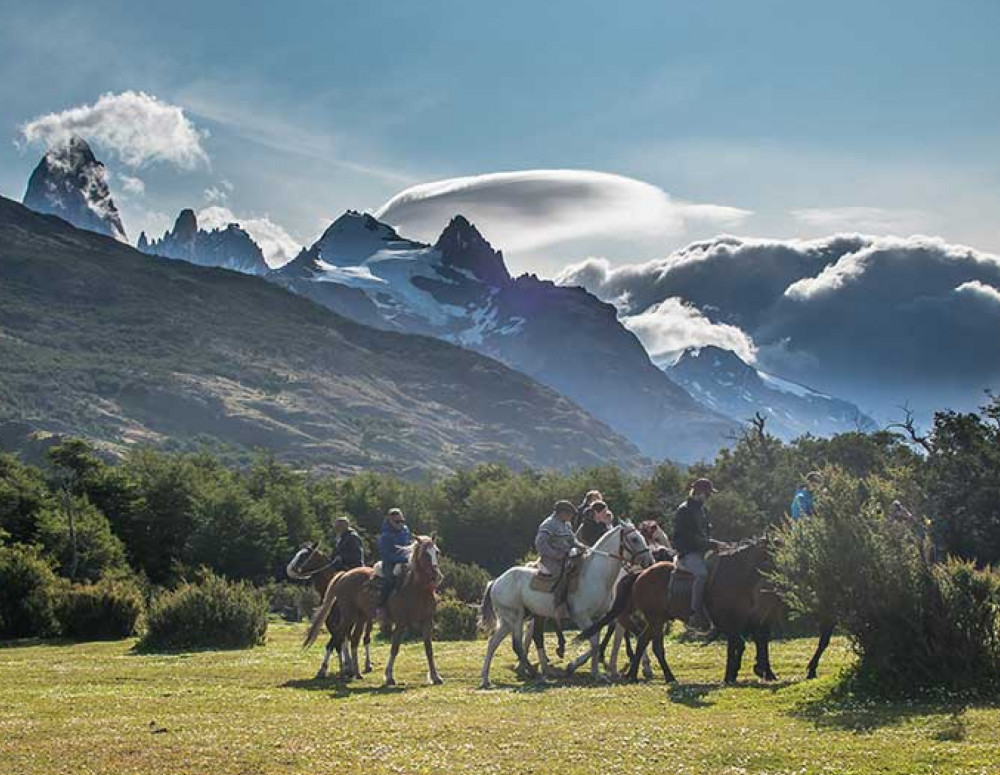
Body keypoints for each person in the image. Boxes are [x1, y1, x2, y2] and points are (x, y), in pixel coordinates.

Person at [672, 478, 718, 634]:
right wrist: (713, 544)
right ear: (699, 493)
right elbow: (691, 538)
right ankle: (694, 614)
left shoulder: (703, 510)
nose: (708, 498)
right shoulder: (684, 511)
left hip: (702, 551)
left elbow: (706, 533)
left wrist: (716, 545)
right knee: (701, 574)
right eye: (707, 494)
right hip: (688, 553)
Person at [535, 500, 586, 618]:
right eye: (569, 514)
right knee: (562, 575)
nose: (571, 517)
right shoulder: (548, 524)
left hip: (566, 556)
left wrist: (581, 546)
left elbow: (572, 540)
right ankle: (559, 605)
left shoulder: (566, 524)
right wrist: (555, 555)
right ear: (561, 513)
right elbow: (540, 543)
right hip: (550, 559)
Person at [376, 508, 412, 614]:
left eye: (402, 521)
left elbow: (408, 544)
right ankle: (382, 605)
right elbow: (386, 555)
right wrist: (402, 558)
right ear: (389, 521)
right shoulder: (385, 536)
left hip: (406, 560)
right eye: (397, 521)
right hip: (390, 562)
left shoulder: (405, 530)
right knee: (390, 580)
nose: (400, 524)